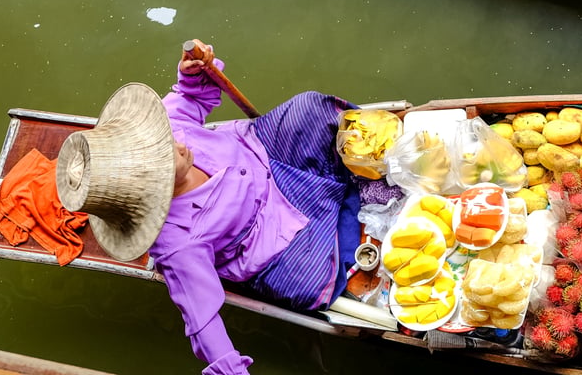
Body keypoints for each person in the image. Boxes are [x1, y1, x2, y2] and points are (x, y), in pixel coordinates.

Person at [55, 42, 362, 375]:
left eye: (168, 140)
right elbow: (202, 322)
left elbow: (191, 100)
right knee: (308, 285)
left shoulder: (163, 132)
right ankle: (339, 196)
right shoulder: (178, 244)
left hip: (262, 154)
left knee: (310, 109)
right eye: (169, 154)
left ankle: (352, 169)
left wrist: (190, 76)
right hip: (269, 236)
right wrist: (230, 369)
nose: (179, 143)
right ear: (152, 186)